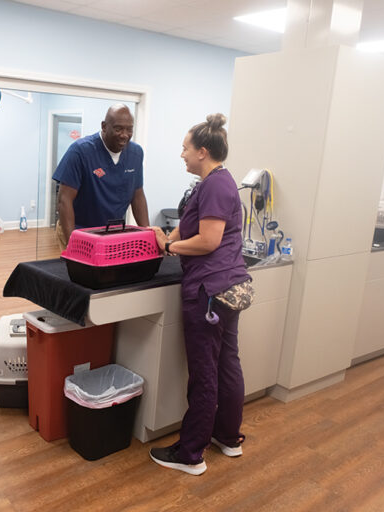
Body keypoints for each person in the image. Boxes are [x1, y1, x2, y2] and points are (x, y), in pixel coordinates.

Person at [149, 114, 250, 475]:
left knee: (205, 374)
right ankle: (227, 437)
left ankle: (191, 453)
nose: (182, 154)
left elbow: (208, 241)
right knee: (226, 365)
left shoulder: (215, 186)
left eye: (185, 148)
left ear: (203, 152)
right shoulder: (213, 183)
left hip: (210, 291)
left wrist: (171, 249)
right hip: (228, 287)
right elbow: (193, 226)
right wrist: (168, 237)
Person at [53, 103, 150, 249]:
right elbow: (64, 200)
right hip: (78, 229)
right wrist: (73, 244)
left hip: (112, 231)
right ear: (104, 126)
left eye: (129, 129)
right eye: (118, 129)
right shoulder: (80, 151)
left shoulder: (136, 153)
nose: (124, 135)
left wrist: (148, 235)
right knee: (80, 271)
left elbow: (137, 195)